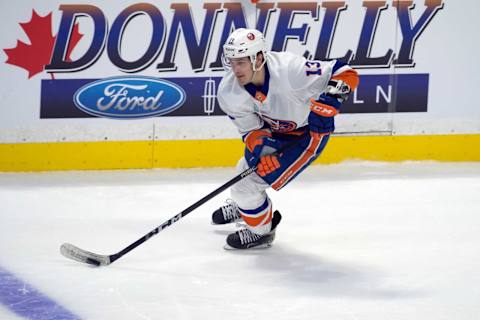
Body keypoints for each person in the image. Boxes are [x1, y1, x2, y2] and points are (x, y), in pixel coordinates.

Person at [212, 28, 359, 249]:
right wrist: (262, 148)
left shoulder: (291, 70)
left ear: (258, 58)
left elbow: (345, 72)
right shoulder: (228, 91)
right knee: (245, 169)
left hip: (307, 135)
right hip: (276, 134)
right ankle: (249, 207)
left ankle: (261, 232)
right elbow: (250, 131)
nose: (235, 69)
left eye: (241, 62)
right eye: (231, 62)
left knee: (245, 187)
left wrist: (331, 101)